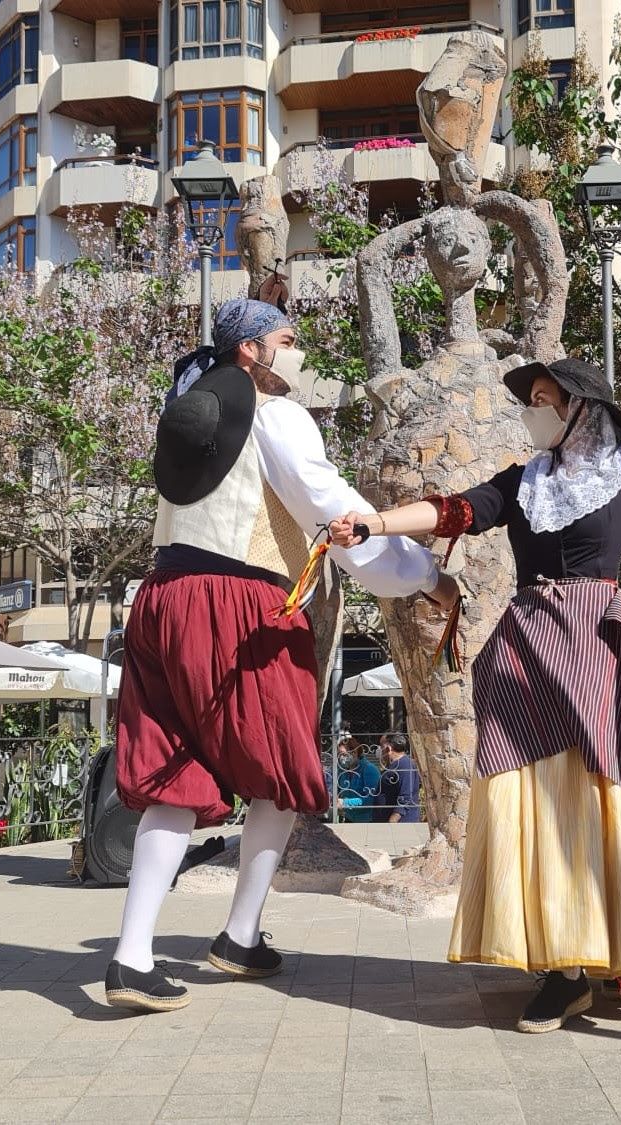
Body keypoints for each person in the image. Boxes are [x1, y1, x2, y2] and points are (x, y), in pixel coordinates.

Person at [328, 259, 621, 1034]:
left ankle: (604, 948)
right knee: (538, 804)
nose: (534, 412)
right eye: (532, 402)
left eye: (545, 400)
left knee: (610, 801)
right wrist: (373, 522)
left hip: (603, 648)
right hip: (526, 653)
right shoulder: (523, 483)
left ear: (580, 407)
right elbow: (452, 511)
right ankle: (561, 962)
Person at [104, 297, 457, 1014]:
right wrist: (423, 573)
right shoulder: (276, 416)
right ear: (251, 352)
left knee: (175, 768)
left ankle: (131, 955)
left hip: (161, 595)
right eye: (288, 341)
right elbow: (332, 511)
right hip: (239, 605)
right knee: (279, 769)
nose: (297, 355)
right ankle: (237, 933)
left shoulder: (190, 410)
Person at [333, 737, 383, 825]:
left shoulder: (369, 770)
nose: (341, 758)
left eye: (344, 754)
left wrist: (345, 803)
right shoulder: (343, 770)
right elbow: (339, 791)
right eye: (339, 755)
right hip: (349, 818)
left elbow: (371, 799)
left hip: (367, 820)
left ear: (355, 753)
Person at [380, 733, 420, 823]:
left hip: (401, 822)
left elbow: (406, 796)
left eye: (381, 746)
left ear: (388, 748)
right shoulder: (394, 765)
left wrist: (394, 819)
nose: (380, 750)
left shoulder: (405, 764)